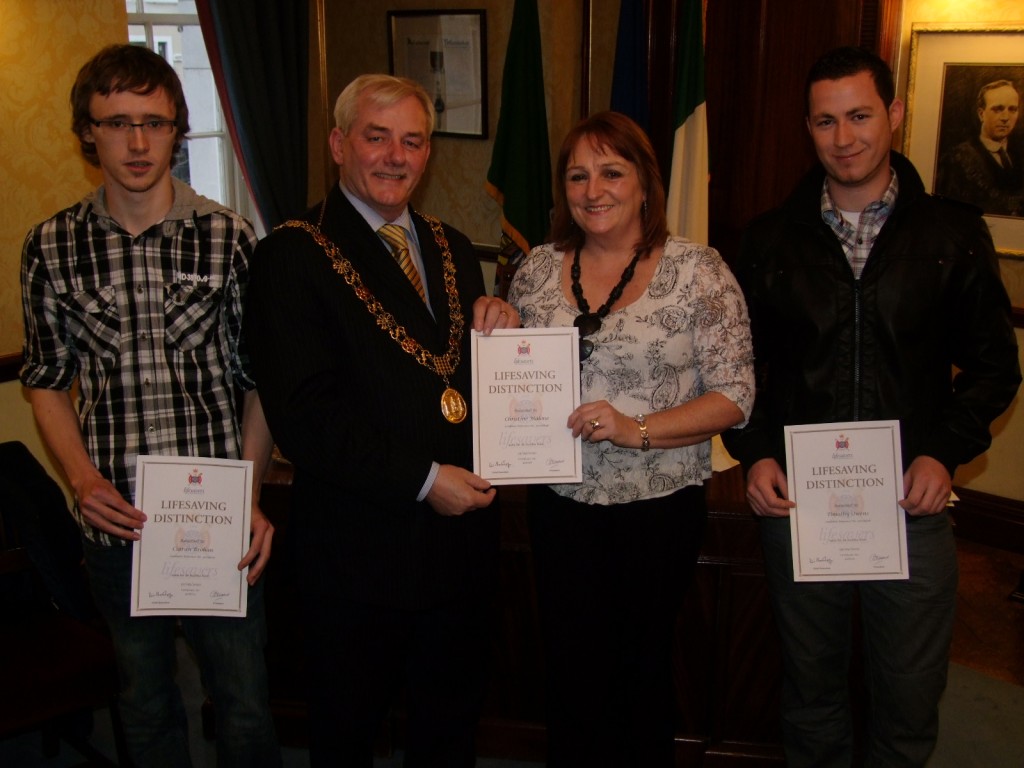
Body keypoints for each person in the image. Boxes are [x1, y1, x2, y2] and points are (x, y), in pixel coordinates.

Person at [721, 47, 1022, 767]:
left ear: (893, 114)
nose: (844, 137)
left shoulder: (951, 234)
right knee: (812, 690)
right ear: (808, 128)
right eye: (826, 121)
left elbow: (993, 369)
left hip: (910, 505)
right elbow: (737, 368)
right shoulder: (767, 240)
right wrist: (756, 450)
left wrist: (942, 451)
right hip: (802, 504)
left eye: (860, 115)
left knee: (910, 694)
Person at [244, 74, 520, 767]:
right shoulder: (290, 254)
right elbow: (305, 418)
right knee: (347, 735)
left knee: (449, 732)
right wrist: (426, 480)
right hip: (357, 556)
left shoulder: (455, 249)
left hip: (460, 552)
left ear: (428, 155)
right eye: (377, 136)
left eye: (413, 140)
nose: (396, 156)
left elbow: (450, 376)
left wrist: (505, 334)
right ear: (339, 144)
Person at [19, 45, 281, 766]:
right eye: (117, 123)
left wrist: (251, 497)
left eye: (154, 124)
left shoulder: (230, 239)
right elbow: (45, 378)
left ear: (178, 130)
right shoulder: (51, 246)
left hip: (217, 520)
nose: (137, 143)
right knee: (143, 706)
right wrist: (81, 480)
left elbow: (260, 381)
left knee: (246, 707)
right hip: (119, 524)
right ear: (88, 133)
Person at [507, 111, 755, 768]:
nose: (594, 190)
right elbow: (512, 371)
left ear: (645, 181)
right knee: (567, 670)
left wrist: (636, 428)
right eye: (578, 175)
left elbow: (736, 396)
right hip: (558, 506)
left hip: (657, 509)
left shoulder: (700, 272)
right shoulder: (534, 270)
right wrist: (494, 323)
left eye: (612, 172)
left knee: (639, 672)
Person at [935, 78, 1023, 216]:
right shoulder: (956, 160)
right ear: (981, 114)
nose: (1006, 117)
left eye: (1012, 109)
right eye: (997, 109)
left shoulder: (1019, 155)